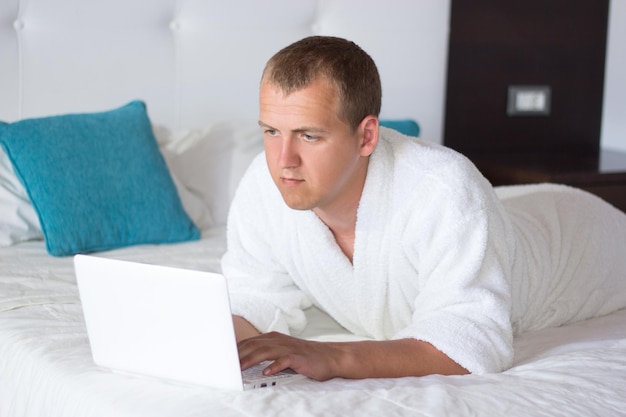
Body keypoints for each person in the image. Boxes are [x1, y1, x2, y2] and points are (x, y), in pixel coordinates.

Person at [221, 35, 626, 381]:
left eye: (309, 136)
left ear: (366, 137)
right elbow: (256, 297)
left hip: (581, 242)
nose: (284, 159)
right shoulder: (263, 183)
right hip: (503, 213)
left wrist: (336, 356)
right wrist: (207, 340)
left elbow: (472, 342)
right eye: (271, 132)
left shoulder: (443, 190)